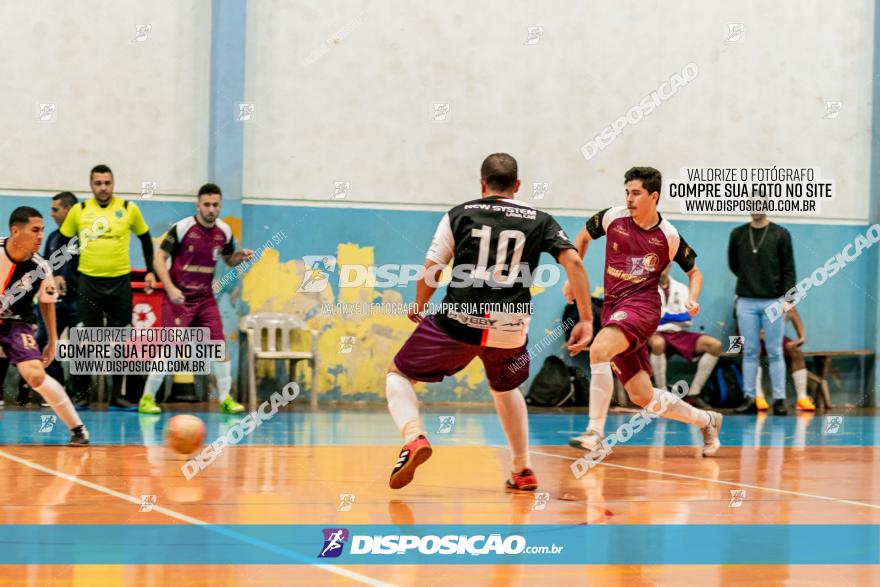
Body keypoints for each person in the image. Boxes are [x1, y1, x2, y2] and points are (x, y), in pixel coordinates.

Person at [385, 153, 594, 491]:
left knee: (398, 374)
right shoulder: (540, 219)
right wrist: (585, 318)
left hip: (459, 321)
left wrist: (419, 304)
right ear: (518, 185)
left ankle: (414, 438)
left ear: (482, 184)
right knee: (506, 387)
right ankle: (523, 469)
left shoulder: (460, 214)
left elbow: (433, 267)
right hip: (510, 328)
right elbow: (573, 261)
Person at [566, 166, 723, 456]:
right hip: (614, 308)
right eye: (627, 192)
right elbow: (582, 238)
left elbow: (695, 273)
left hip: (642, 306)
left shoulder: (669, 235)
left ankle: (595, 433)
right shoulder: (612, 217)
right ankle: (708, 420)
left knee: (599, 349)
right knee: (643, 396)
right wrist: (571, 278)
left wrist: (692, 298)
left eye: (635, 193)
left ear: (654, 196)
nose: (629, 198)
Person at [138, 183, 253, 414]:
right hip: (178, 298)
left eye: (215, 205)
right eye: (206, 205)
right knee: (169, 350)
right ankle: (147, 399)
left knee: (219, 347)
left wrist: (239, 257)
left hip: (205, 298)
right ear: (198, 205)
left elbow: (229, 260)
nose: (211, 209)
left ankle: (225, 399)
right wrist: (169, 289)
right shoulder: (181, 229)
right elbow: (159, 260)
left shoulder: (224, 231)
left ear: (220, 206)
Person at [60, 164, 157, 409]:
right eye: (98, 183)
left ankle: (116, 396)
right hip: (88, 284)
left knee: (119, 340)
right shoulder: (79, 211)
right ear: (91, 185)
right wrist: (60, 274)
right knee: (84, 339)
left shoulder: (128, 209)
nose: (103, 188)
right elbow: (63, 241)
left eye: (107, 183)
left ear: (113, 184)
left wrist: (150, 272)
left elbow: (145, 239)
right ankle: (82, 394)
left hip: (119, 284)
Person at [0, 207, 88, 445]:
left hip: (16, 323)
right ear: (15, 231)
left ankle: (77, 429)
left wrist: (52, 340)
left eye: (42, 231)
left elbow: (47, 304)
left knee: (35, 374)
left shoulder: (42, 267)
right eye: (35, 230)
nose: (40, 236)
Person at [728, 193, 796, 415]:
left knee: (775, 351)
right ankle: (749, 398)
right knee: (749, 351)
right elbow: (734, 265)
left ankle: (779, 399)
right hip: (746, 301)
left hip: (773, 301)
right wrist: (750, 282)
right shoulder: (737, 234)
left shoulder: (781, 234)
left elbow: (788, 269)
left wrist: (787, 300)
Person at [648, 264, 721, 409]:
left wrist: (664, 316)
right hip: (653, 333)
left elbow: (688, 318)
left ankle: (694, 394)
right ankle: (662, 395)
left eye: (667, 265)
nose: (664, 267)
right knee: (657, 343)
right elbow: (650, 318)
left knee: (715, 345)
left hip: (678, 333)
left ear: (669, 266)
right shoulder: (645, 287)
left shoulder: (681, 288)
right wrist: (675, 316)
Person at [753, 307, 815, 411]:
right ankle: (758, 396)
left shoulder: (779, 300)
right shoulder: (748, 297)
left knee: (795, 352)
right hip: (747, 336)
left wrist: (801, 337)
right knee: (754, 349)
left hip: (771, 337)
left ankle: (802, 398)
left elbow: (792, 311)